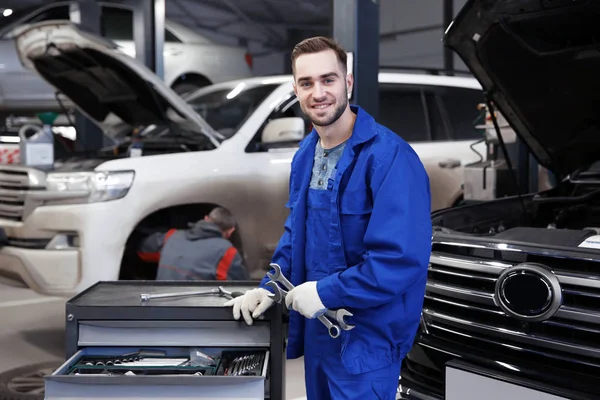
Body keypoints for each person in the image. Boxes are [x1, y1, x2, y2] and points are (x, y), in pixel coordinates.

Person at [224, 36, 432, 399]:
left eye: (328, 79)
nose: (318, 92)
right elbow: (297, 235)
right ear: (296, 90)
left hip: (368, 342)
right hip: (319, 333)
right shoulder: (306, 154)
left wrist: (325, 291)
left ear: (348, 83)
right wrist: (270, 288)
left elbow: (398, 262)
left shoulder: (389, 159)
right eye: (306, 83)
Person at [137, 207, 249, 281]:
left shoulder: (171, 236)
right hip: (192, 312)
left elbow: (142, 251)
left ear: (206, 218)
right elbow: (241, 290)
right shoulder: (227, 252)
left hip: (158, 308)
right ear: (230, 231)